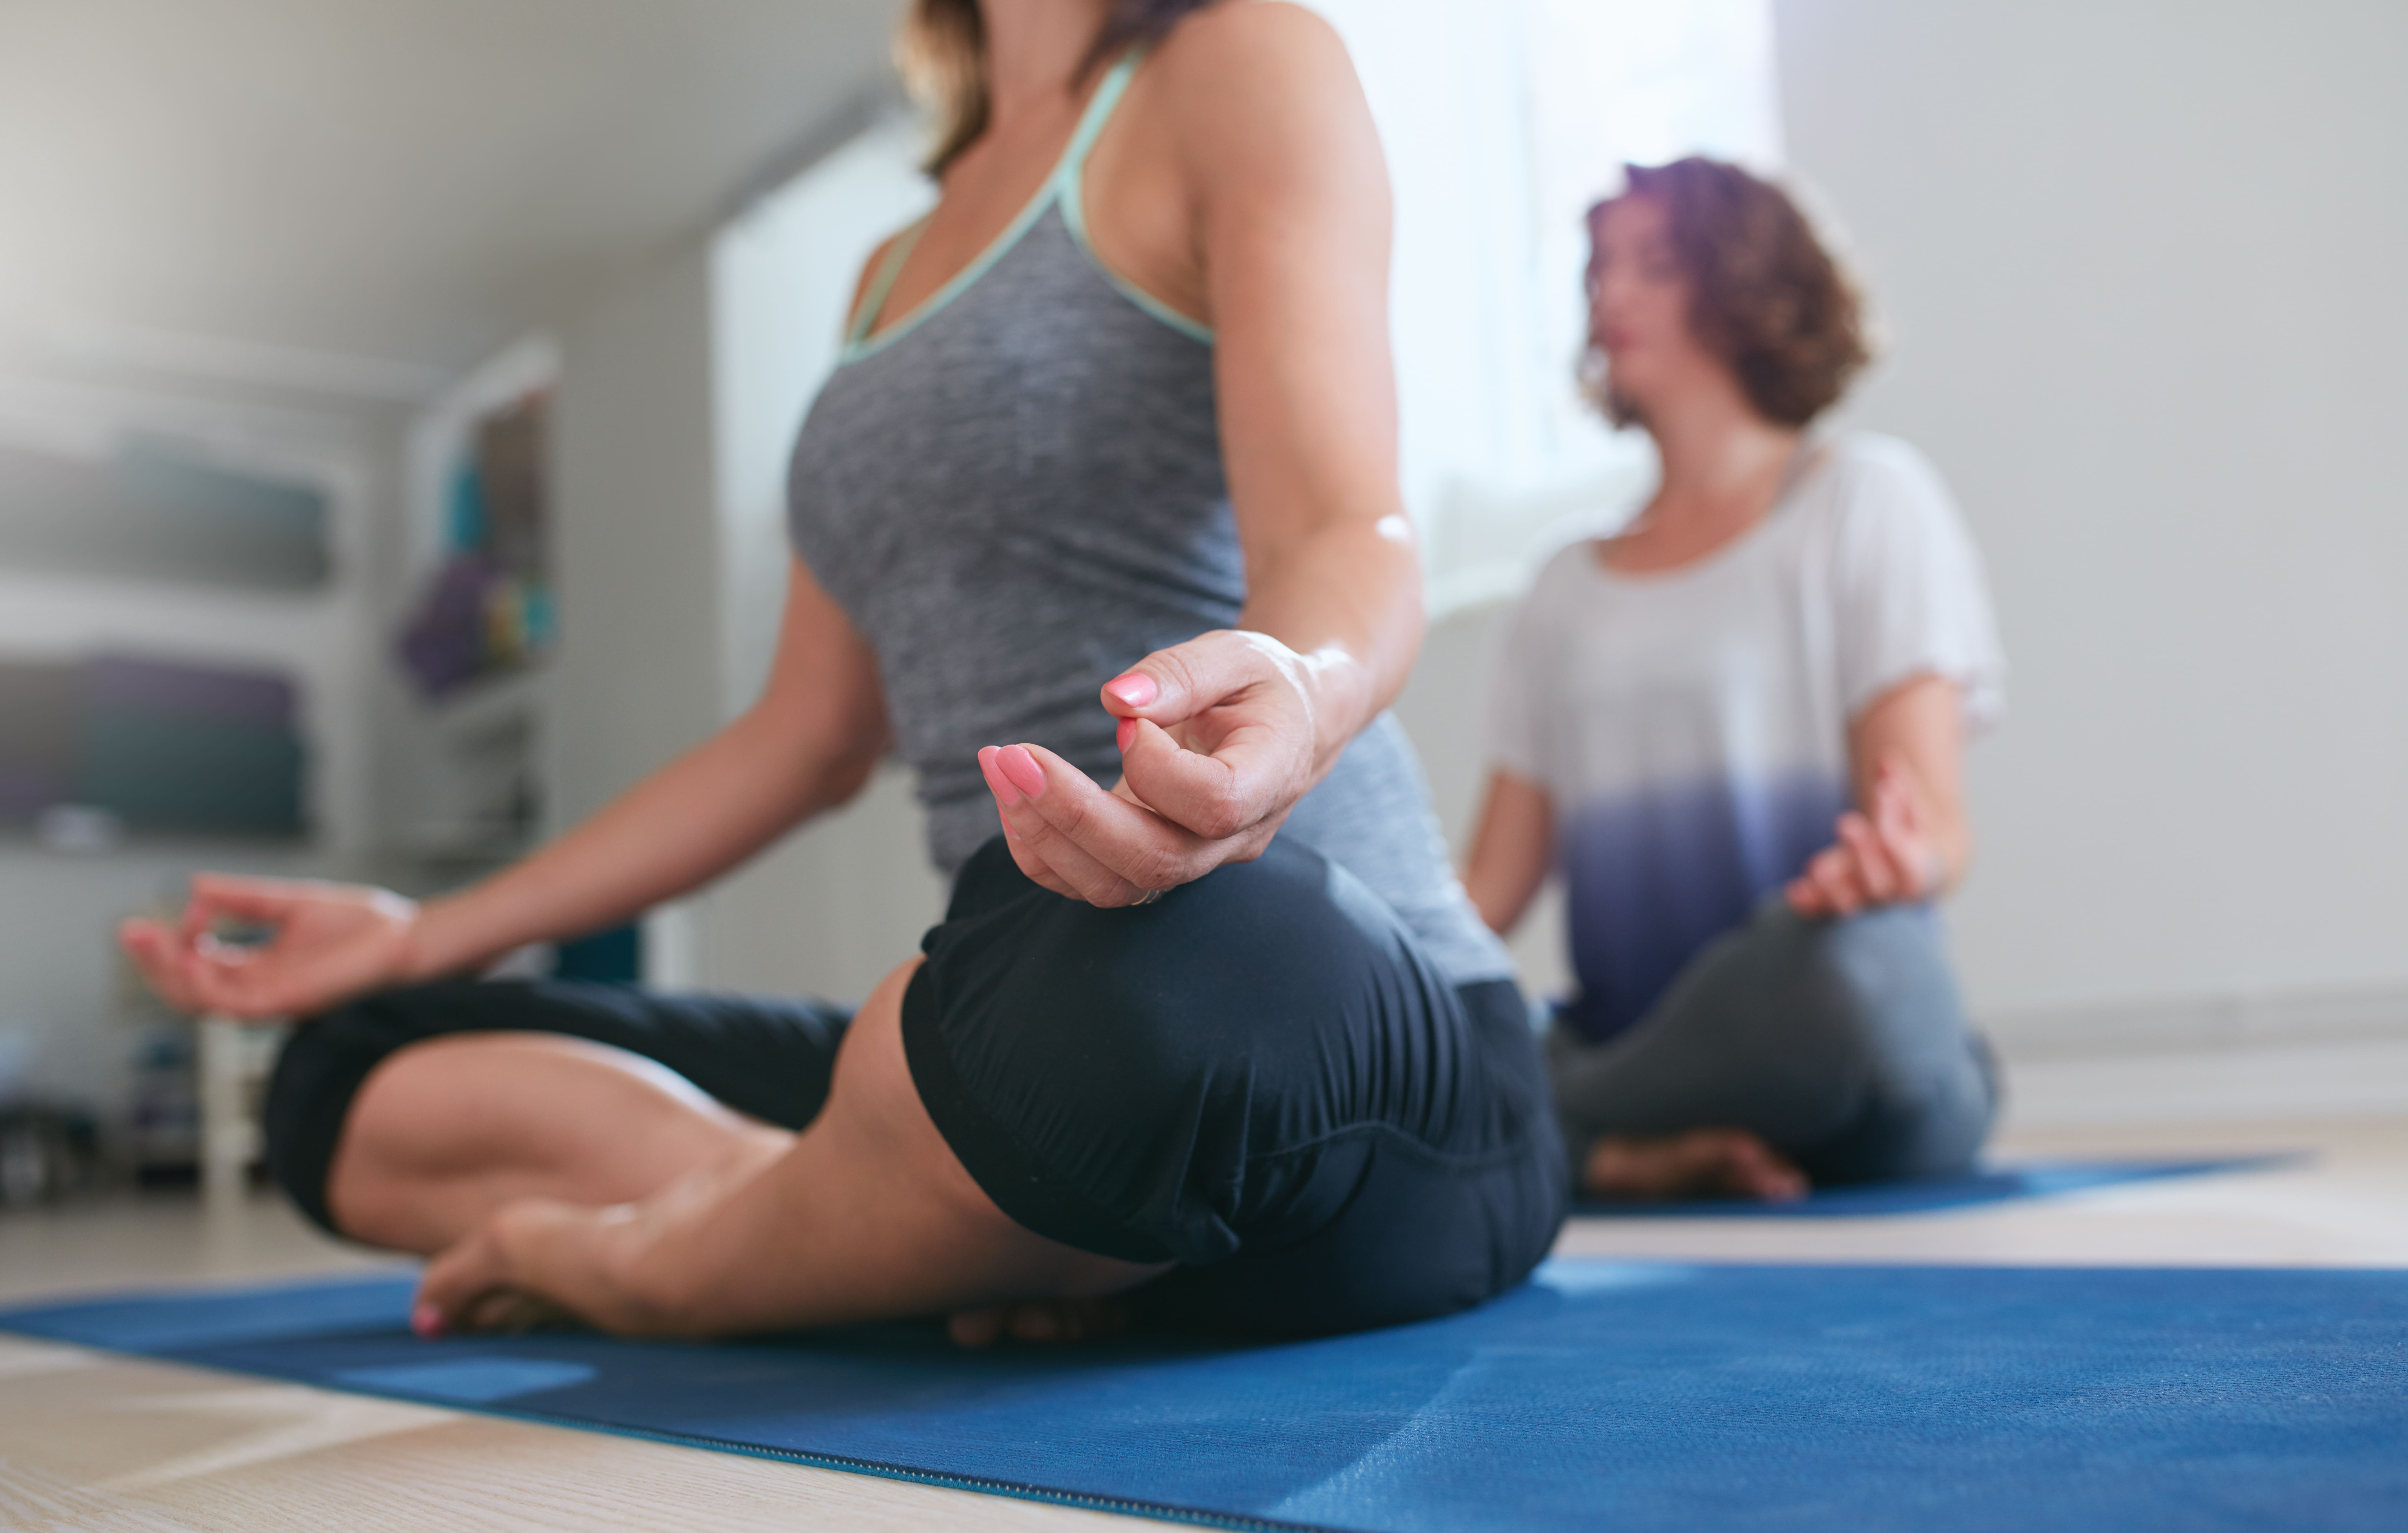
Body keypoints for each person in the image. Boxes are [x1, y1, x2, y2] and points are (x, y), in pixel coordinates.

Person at [119, 0, 1563, 1345]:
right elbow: (806, 736)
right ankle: (896, 1203)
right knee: (352, 1069)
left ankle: (672, 1253)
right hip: (1021, 1024)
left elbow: (1340, 527)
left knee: (1154, 996)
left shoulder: (1238, 60)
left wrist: (1296, 692)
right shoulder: (895, 266)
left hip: (1325, 1035)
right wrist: (421, 936)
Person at [1462, 157, 2005, 1203]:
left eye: (1654, 266)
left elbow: (1936, 826)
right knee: (1430, 1034)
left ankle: (1570, 1136)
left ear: (1749, 285)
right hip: (1633, 1026)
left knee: (1847, 985)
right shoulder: (1562, 591)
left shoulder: (1865, 501)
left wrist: (1891, 868)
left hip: (1825, 1012)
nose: (1611, 298)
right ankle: (1635, 1143)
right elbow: (1488, 893)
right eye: (1601, 272)